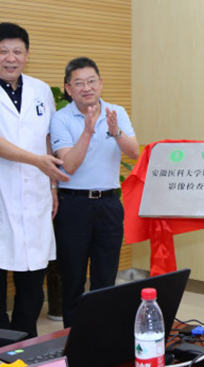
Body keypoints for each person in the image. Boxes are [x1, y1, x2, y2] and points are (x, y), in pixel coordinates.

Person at [0, 22, 69, 343]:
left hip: (36, 196)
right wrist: (37, 161)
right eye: (3, 51)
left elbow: (47, 139)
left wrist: (52, 187)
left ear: (27, 55)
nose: (11, 58)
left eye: (17, 52)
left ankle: (26, 348)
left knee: (32, 288)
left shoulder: (40, 89)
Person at [49, 57, 139, 328]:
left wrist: (115, 131)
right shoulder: (61, 118)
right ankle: (73, 341)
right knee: (73, 279)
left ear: (100, 83)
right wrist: (87, 132)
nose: (86, 88)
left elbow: (134, 152)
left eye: (91, 81)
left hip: (109, 204)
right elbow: (69, 166)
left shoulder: (116, 112)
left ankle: (103, 338)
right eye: (78, 83)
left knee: (105, 279)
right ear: (68, 89)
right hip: (73, 206)